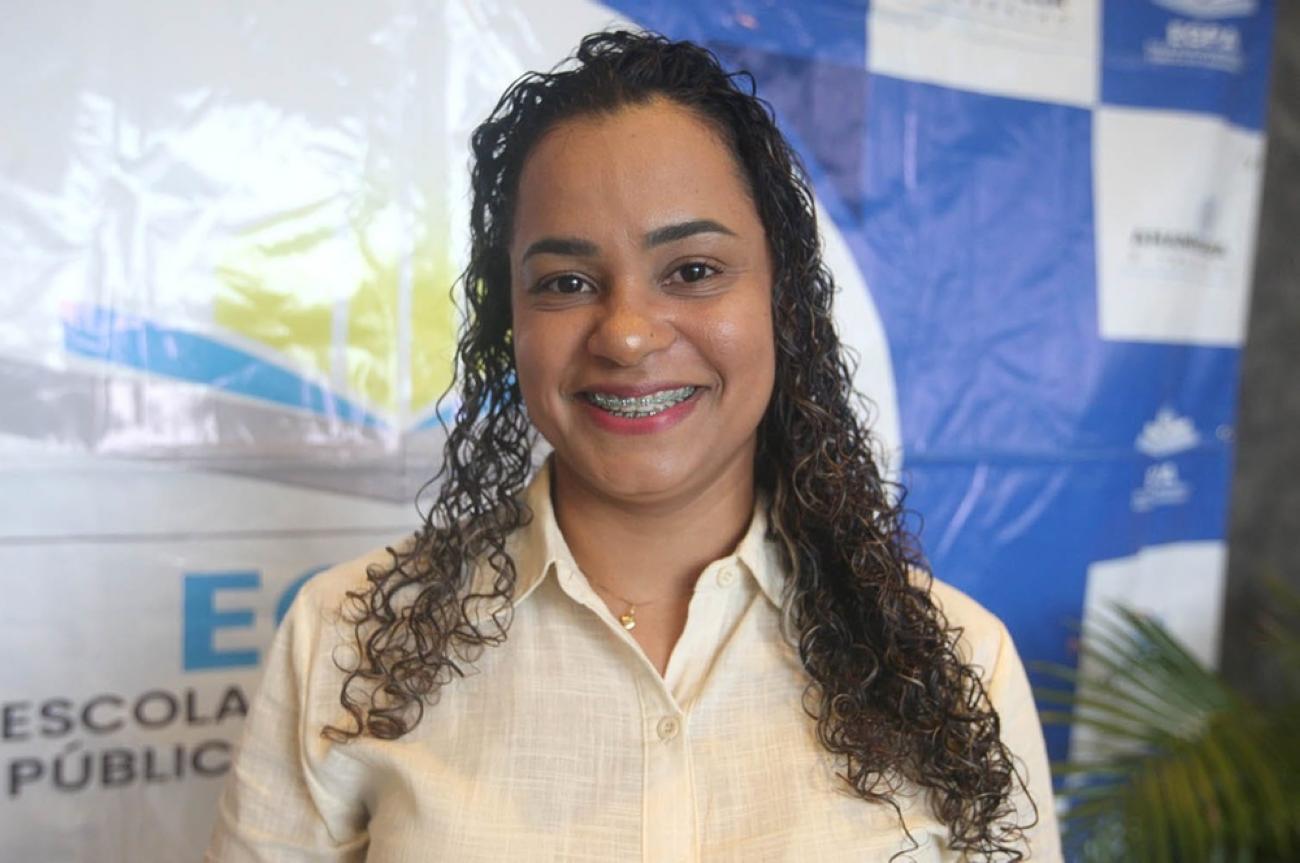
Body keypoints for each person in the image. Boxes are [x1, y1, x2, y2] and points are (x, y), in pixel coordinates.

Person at [206, 29, 1062, 862]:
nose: (624, 334)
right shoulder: (349, 638)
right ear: (511, 323)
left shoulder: (959, 662)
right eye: (566, 282)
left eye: (693, 270)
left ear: (783, 298)